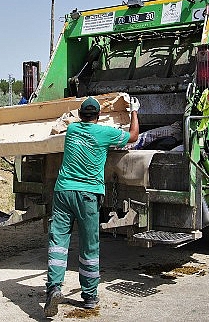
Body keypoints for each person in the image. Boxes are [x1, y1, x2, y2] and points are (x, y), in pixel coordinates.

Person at [44, 95, 140, 317]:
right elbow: (133, 137)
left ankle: (54, 288)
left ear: (80, 115)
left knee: (58, 241)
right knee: (89, 246)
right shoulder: (106, 134)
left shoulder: (73, 131)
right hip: (88, 195)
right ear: (98, 116)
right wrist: (134, 111)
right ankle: (88, 296)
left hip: (63, 192)